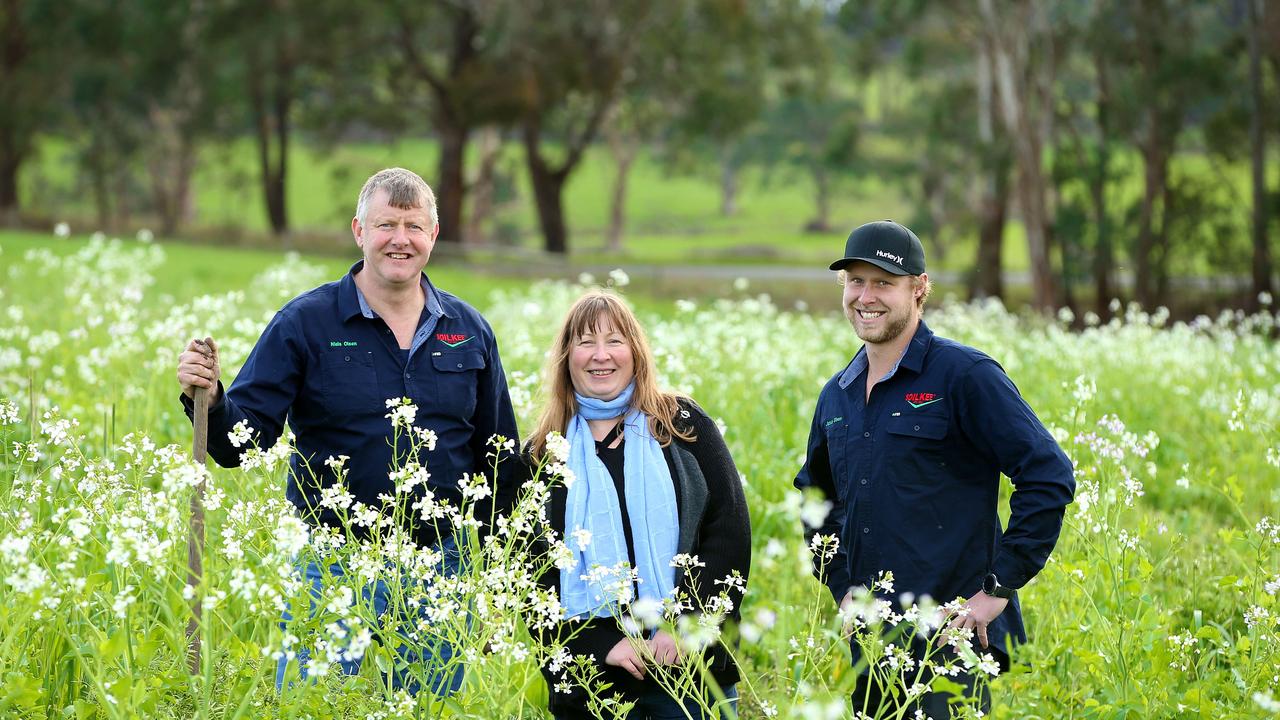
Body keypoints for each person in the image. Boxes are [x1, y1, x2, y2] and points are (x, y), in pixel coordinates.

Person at [175, 167, 519, 693]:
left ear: (434, 234)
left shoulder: (468, 329)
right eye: (385, 225)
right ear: (359, 231)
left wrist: (497, 584)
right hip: (333, 563)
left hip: (441, 566)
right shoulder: (305, 323)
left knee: (430, 707)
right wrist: (213, 399)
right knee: (317, 704)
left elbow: (498, 458)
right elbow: (238, 445)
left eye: (413, 226)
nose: (399, 240)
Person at [793, 220, 1075, 717]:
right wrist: (841, 590)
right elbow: (816, 497)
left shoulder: (965, 375)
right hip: (872, 641)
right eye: (856, 281)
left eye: (884, 282)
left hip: (951, 638)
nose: (866, 296)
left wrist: (997, 590)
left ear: (919, 288)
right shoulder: (836, 393)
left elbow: (1047, 475)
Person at [522, 292, 750, 720]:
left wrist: (686, 628)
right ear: (566, 358)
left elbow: (729, 532)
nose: (600, 356)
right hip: (594, 682)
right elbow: (530, 578)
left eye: (615, 340)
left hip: (691, 671)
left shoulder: (681, 425)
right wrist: (601, 646)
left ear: (636, 352)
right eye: (586, 343)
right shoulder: (541, 455)